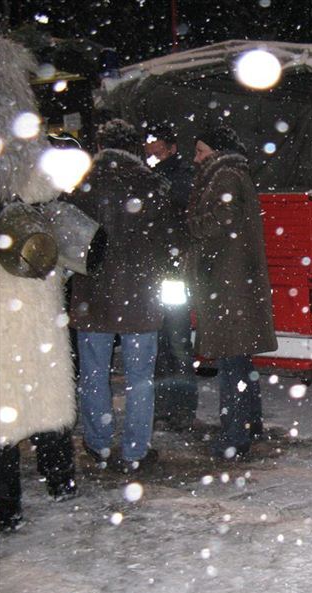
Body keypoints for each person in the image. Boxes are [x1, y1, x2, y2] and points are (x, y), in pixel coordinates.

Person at [0, 37, 78, 531]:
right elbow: (52, 187)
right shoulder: (31, 146)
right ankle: (60, 479)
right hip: (32, 278)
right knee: (44, 388)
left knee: (2, 400)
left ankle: (6, 506)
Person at [68, 118, 171, 473]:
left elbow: (68, 236)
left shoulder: (84, 183)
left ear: (101, 146)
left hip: (92, 294)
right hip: (140, 295)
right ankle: (135, 451)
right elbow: (167, 240)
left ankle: (98, 444)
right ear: (134, 147)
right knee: (140, 377)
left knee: (93, 373)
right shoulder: (151, 184)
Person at [187, 125, 277, 459]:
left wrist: (193, 225)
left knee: (231, 363)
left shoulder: (223, 176)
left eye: (200, 150)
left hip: (227, 287)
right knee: (239, 360)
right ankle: (249, 425)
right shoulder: (234, 174)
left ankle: (234, 436)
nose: (196, 157)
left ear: (217, 150)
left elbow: (221, 219)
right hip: (235, 285)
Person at [143, 122, 199, 432]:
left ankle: (182, 408)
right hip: (157, 270)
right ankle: (165, 406)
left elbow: (179, 204)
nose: (153, 152)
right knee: (160, 344)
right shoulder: (152, 176)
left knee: (176, 342)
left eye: (159, 148)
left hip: (173, 271)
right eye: (150, 147)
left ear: (172, 148)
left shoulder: (181, 175)